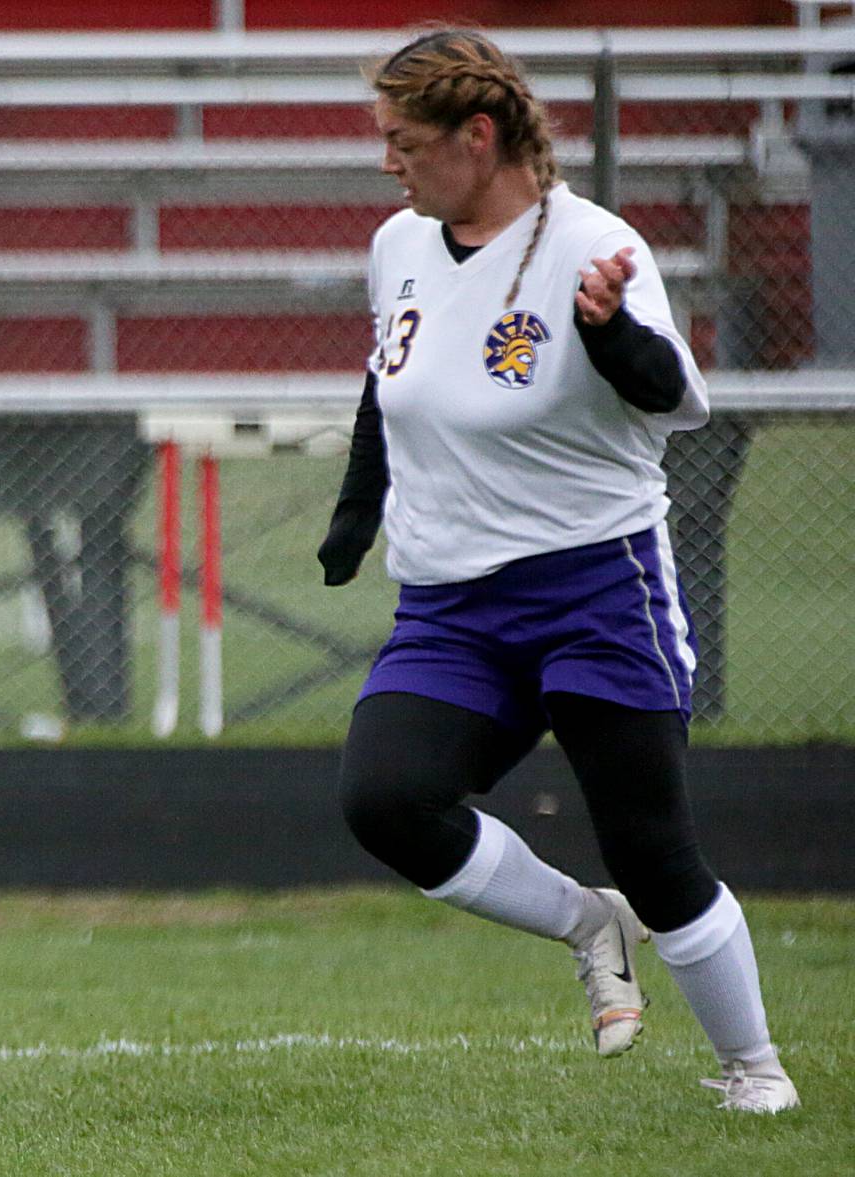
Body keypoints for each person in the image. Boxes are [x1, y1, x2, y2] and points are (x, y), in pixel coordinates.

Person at [318, 30, 799, 1114]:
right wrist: (357, 508)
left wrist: (613, 336)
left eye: (404, 142)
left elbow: (676, 397)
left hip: (593, 590)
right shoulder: (399, 241)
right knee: (386, 799)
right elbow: (387, 380)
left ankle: (755, 1070)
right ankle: (590, 922)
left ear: (476, 136)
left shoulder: (591, 245)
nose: (389, 163)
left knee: (656, 848)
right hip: (449, 606)